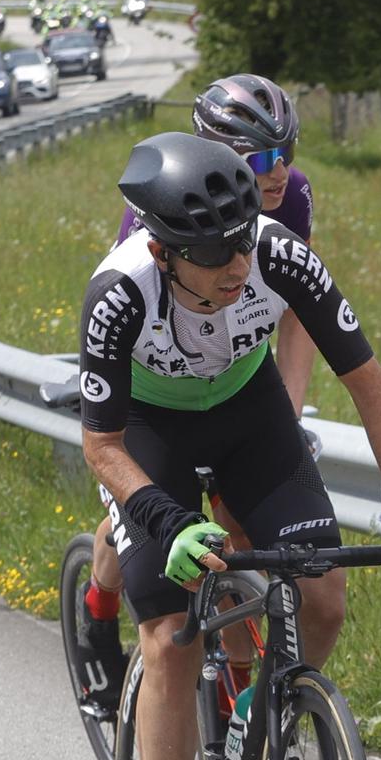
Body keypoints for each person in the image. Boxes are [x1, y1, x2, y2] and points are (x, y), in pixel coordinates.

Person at [76, 132, 381, 760]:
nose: (239, 265)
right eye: (216, 255)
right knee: (173, 636)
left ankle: (262, 715)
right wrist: (168, 521)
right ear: (166, 251)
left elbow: (368, 379)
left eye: (243, 241)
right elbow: (101, 445)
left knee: (321, 594)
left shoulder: (277, 254)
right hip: (151, 431)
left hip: (251, 418)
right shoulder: (119, 292)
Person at [79, 75, 318, 690]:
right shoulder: (158, 212)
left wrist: (287, 417)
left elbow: (291, 312)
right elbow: (136, 316)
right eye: (261, 159)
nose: (277, 174)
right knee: (134, 523)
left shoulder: (291, 198)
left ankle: (240, 698)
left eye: (286, 154)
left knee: (237, 531)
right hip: (148, 373)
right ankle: (98, 605)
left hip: (232, 382)